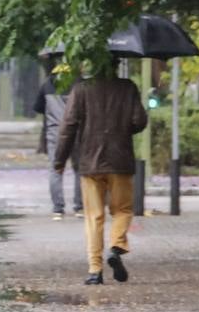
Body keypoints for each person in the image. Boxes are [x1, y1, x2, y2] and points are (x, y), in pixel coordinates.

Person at [53, 70, 147, 286]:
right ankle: (116, 246)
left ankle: (95, 270)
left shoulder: (81, 89)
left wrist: (59, 160)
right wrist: (122, 128)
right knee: (122, 210)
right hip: (120, 160)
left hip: (89, 162)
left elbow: (68, 126)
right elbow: (139, 121)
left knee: (93, 216)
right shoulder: (128, 87)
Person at [33, 72, 82, 220]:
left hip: (55, 133)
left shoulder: (47, 84)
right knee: (79, 169)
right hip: (76, 132)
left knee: (55, 169)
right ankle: (79, 207)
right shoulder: (79, 84)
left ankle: (58, 209)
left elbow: (38, 107)